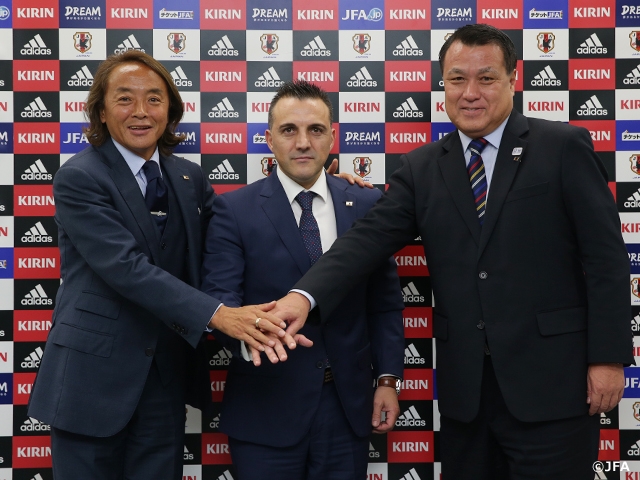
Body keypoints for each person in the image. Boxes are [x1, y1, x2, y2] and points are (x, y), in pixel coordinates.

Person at [272, 24, 633, 479]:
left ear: (512, 79)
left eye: (486, 78)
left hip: (554, 390)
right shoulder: (422, 167)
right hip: (467, 398)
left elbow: (606, 260)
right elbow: (365, 242)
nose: (470, 92)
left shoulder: (562, 146)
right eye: (457, 78)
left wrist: (608, 357)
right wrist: (301, 297)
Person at [26, 50, 297, 480]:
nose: (140, 111)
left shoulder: (189, 178)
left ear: (170, 110)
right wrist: (218, 315)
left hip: (164, 380)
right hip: (91, 381)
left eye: (154, 99)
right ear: (100, 110)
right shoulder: (79, 177)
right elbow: (126, 268)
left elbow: (240, 227)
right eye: (124, 99)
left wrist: (324, 184)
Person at [200, 80, 405, 480]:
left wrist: (387, 379)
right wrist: (254, 336)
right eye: (288, 130)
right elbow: (220, 303)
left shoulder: (365, 203)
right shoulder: (233, 210)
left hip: (347, 410)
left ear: (333, 136)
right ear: (269, 141)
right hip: (265, 407)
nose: (302, 142)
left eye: (315, 130)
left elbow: (383, 304)